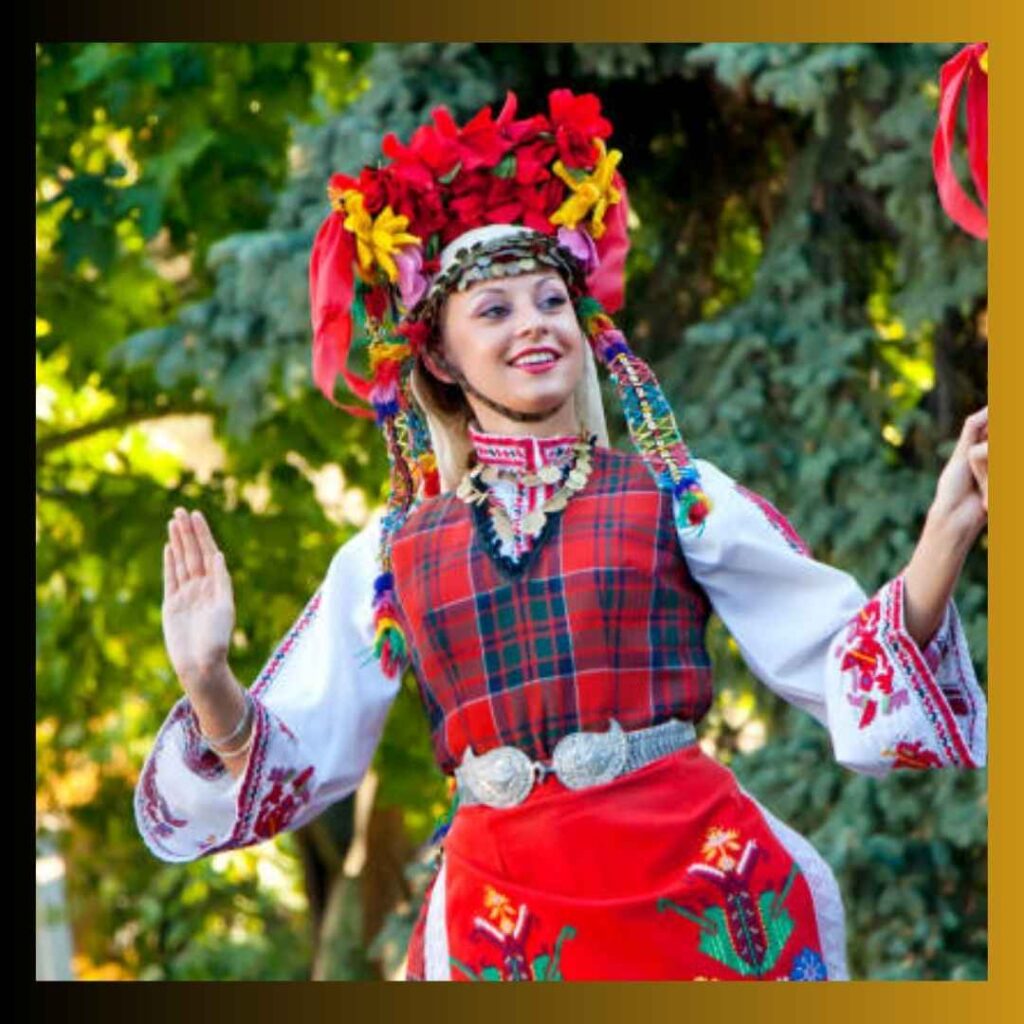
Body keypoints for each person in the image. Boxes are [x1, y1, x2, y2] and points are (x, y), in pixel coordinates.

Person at [135, 88, 989, 981]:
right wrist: (209, 681)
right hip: (506, 922)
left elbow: (837, 664)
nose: (536, 324)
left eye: (551, 300)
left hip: (696, 889)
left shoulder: (674, 493)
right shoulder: (394, 550)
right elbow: (295, 759)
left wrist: (947, 528)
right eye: (494, 311)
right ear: (438, 358)